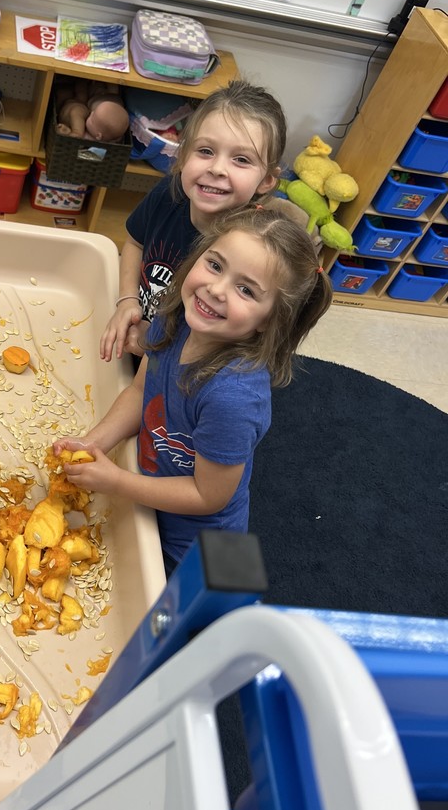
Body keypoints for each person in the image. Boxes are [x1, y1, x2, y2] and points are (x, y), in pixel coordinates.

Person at [55, 205, 333, 575]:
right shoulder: (174, 320)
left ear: (271, 320)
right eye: (215, 265)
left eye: (246, 290)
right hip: (148, 493)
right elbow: (141, 394)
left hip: (199, 542)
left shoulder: (234, 398)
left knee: (204, 621)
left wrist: (118, 481)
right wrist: (94, 444)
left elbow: (208, 495)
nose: (216, 289)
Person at [100, 79, 313, 364]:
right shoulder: (169, 192)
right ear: (183, 155)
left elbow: (231, 338)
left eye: (240, 159)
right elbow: (135, 242)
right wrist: (127, 301)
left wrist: (155, 342)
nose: (217, 168)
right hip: (140, 336)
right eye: (205, 151)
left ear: (266, 180)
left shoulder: (252, 248)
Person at [56, 78, 130, 142]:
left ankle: (82, 81)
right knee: (113, 91)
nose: (91, 113)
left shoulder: (87, 138)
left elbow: (72, 138)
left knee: (81, 95)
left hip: (96, 99)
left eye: (92, 117)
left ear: (98, 135)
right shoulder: (105, 132)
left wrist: (68, 132)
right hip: (111, 98)